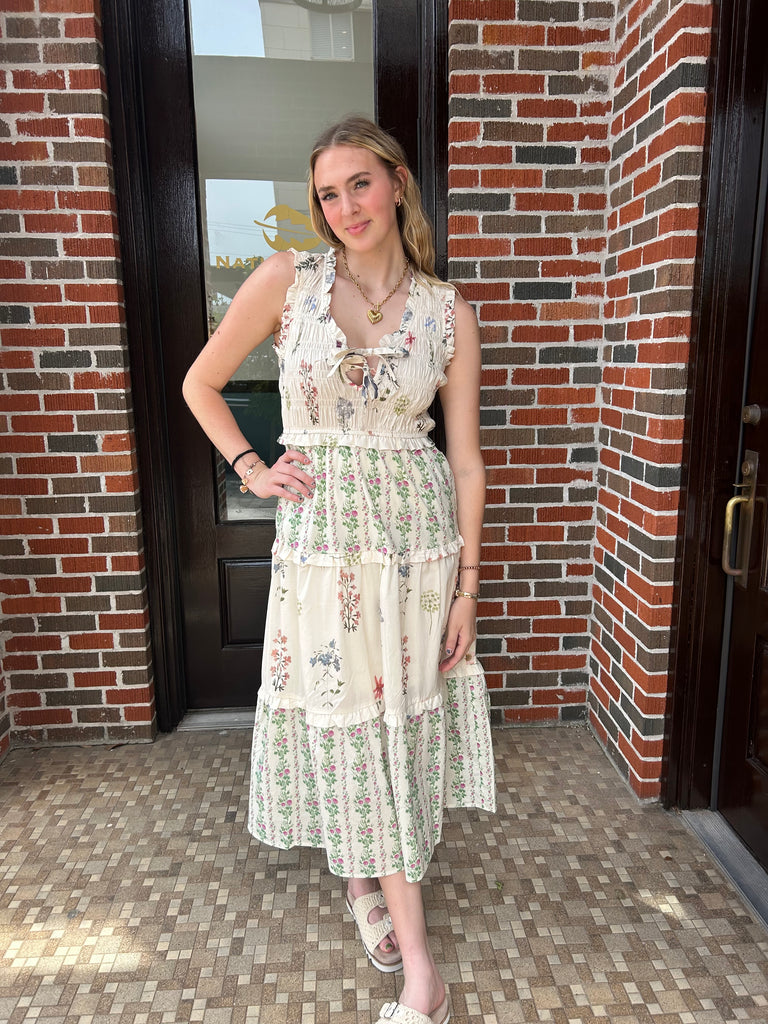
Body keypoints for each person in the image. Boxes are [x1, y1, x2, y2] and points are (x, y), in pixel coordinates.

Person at [183, 115, 495, 1024]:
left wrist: (469, 589)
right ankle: (414, 959)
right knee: (350, 718)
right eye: (328, 193)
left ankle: (404, 944)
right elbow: (201, 382)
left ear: (396, 184)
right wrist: (251, 467)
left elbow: (467, 462)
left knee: (394, 727)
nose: (346, 206)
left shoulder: (447, 311)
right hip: (323, 548)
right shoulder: (292, 279)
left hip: (416, 550)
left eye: (360, 183)